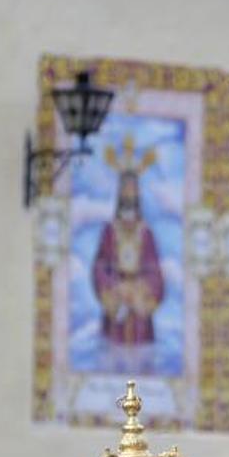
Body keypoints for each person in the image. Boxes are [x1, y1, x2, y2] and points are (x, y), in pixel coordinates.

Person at [92, 141, 165, 346]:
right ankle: (127, 379)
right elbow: (100, 266)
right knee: (116, 353)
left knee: (137, 368)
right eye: (125, 195)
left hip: (139, 300)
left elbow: (155, 270)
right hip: (117, 296)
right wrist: (116, 287)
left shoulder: (146, 233)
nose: (129, 193)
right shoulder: (110, 232)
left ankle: (133, 380)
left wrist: (140, 288)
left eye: (132, 199)